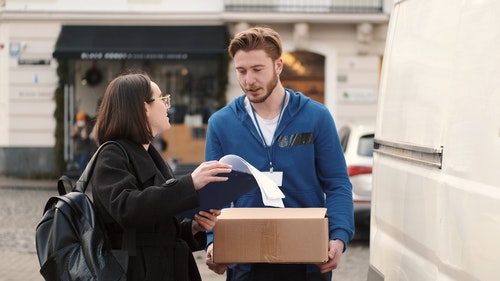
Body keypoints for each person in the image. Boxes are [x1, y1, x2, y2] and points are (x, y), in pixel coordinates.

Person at [204, 26, 355, 281]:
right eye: (241, 71)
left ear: (279, 65)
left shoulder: (316, 117)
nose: (248, 80)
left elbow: (338, 183)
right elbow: (212, 196)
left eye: (257, 70)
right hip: (244, 263)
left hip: (308, 261)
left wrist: (338, 237)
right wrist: (211, 243)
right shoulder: (221, 123)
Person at [90, 72, 232, 281]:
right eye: (162, 100)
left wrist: (193, 227)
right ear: (143, 108)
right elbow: (127, 209)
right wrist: (189, 183)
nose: (168, 106)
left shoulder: (150, 154)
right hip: (138, 271)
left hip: (165, 267)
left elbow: (160, 227)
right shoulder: (112, 154)